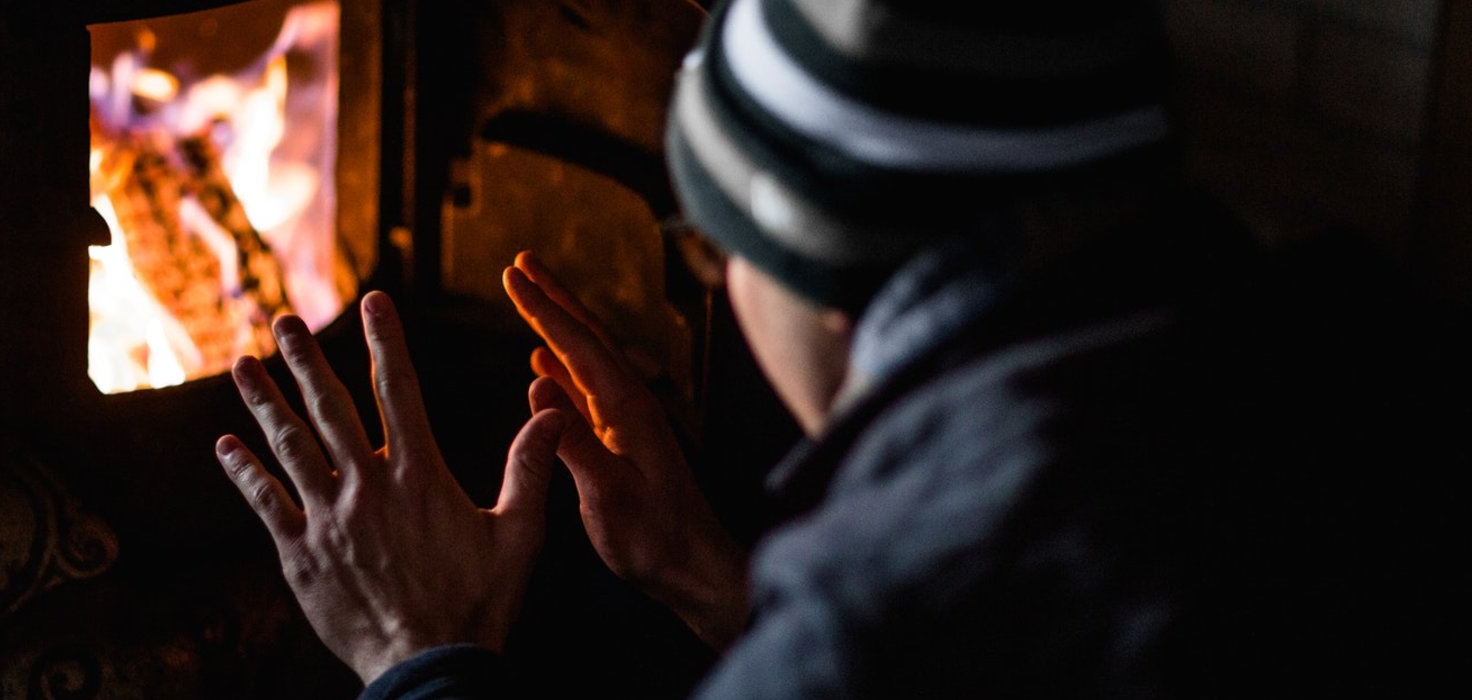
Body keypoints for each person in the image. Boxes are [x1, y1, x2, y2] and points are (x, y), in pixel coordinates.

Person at [214, 0, 1460, 696]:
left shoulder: (867, 633)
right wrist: (718, 581)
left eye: (713, 245)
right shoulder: (1370, 354)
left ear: (819, 282)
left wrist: (418, 649)